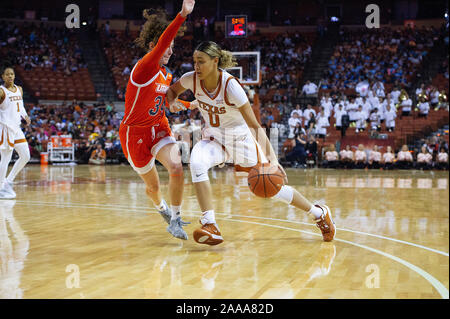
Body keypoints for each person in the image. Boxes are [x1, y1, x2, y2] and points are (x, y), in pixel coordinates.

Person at [167, 41, 336, 245]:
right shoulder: (190, 79)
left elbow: (255, 126)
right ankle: (210, 224)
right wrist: (172, 102)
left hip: (241, 140)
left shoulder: (231, 87)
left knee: (271, 188)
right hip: (214, 139)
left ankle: (318, 213)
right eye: (194, 61)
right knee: (196, 162)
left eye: (201, 62)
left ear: (215, 61)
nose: (196, 66)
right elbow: (172, 91)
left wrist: (273, 161)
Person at [118, 0, 196, 240]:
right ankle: (162, 208)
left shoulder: (166, 74)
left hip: (158, 126)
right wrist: (182, 15)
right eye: (166, 46)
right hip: (134, 135)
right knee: (153, 187)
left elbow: (163, 101)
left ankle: (175, 218)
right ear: (154, 47)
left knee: (176, 166)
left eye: (173, 46)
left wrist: (186, 104)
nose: (170, 50)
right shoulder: (144, 68)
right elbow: (163, 41)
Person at [0, 67, 31, 199]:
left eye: (12, 74)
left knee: (25, 156)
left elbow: (21, 105)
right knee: (5, 159)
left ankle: (8, 181)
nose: (10, 76)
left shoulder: (19, 89)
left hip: (17, 128)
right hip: (6, 127)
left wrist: (25, 116)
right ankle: (1, 187)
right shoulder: (2, 91)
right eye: (7, 75)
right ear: (3, 77)